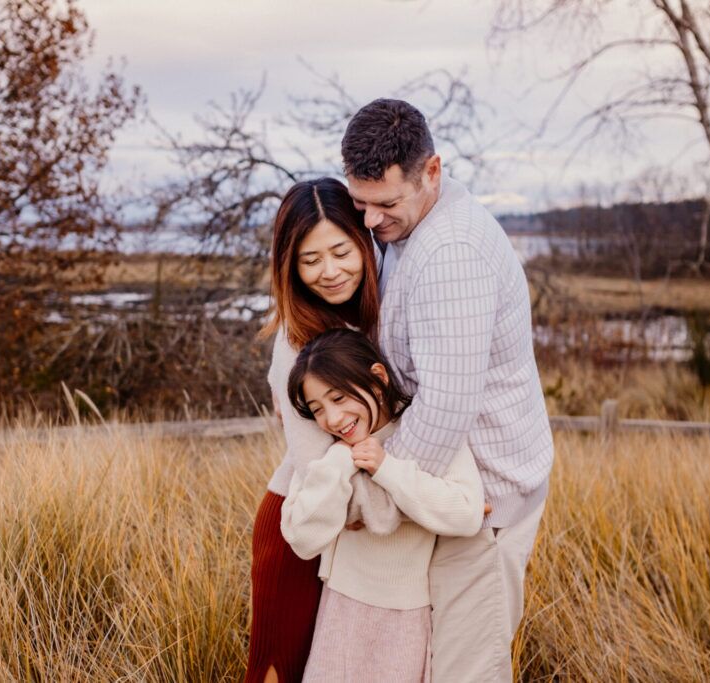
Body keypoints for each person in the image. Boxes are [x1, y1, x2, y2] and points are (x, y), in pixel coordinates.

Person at [341, 98, 555, 682]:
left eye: (385, 203)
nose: (368, 221)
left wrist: (374, 499)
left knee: (466, 672)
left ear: (431, 171)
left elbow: (444, 406)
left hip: (484, 501)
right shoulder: (412, 226)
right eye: (359, 202)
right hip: (450, 495)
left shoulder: (449, 253)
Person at [280, 328, 484, 683]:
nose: (332, 418)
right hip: (340, 605)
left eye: (339, 398)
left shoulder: (424, 434)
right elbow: (301, 536)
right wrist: (341, 461)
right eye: (318, 409)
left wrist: (386, 468)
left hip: (404, 612)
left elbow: (466, 513)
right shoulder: (328, 452)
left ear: (377, 379)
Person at [245, 177, 381, 683]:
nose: (330, 271)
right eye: (309, 260)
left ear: (363, 241)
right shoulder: (294, 341)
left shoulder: (364, 319)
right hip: (298, 525)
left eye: (341, 251)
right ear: (290, 265)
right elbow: (313, 467)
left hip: (344, 536)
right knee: (277, 673)